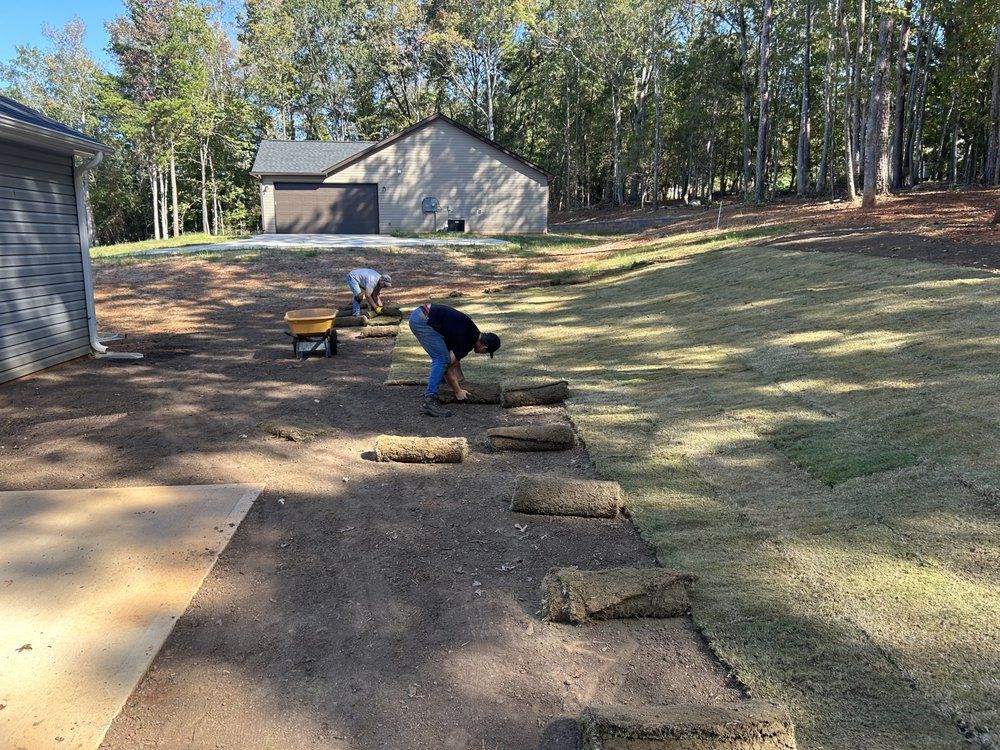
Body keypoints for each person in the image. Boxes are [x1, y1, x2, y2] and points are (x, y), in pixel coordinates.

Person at [408, 303, 501, 417]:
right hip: (423, 320)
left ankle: (442, 389)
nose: (483, 353)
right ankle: (431, 400)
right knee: (442, 360)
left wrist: (462, 383)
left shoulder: (472, 333)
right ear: (484, 348)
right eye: (485, 353)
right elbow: (448, 366)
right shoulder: (467, 341)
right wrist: (458, 391)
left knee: (444, 359)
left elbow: (455, 363)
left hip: (421, 314)